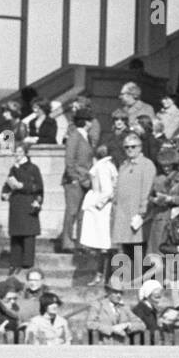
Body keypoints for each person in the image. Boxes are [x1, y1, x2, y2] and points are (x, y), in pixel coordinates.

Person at [112, 133, 157, 278]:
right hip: (123, 214)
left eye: (133, 146)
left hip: (137, 214)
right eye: (126, 147)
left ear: (140, 147)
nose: (130, 149)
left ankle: (141, 278)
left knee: (139, 247)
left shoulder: (146, 164)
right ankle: (129, 276)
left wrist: (142, 211)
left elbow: (147, 188)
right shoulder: (124, 165)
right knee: (126, 247)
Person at [0, 141, 44, 278]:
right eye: (15, 152)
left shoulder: (33, 168)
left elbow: (38, 187)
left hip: (28, 203)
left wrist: (22, 186)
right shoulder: (13, 168)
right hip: (16, 204)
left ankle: (27, 264)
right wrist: (4, 193)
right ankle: (15, 263)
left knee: (28, 235)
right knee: (16, 235)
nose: (17, 155)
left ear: (25, 153)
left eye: (19, 152)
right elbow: (7, 183)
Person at [79, 144, 117, 286]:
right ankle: (101, 275)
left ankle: (104, 276)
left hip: (101, 211)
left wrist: (97, 204)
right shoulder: (108, 166)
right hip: (101, 210)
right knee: (102, 245)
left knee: (104, 245)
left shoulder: (102, 167)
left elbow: (107, 191)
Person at [57, 106, 94, 253]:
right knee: (72, 211)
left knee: (81, 213)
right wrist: (73, 177)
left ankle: (80, 242)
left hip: (84, 179)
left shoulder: (86, 136)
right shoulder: (75, 136)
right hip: (75, 180)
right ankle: (67, 242)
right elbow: (69, 159)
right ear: (86, 122)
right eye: (90, 121)